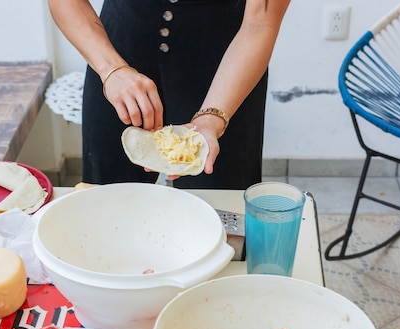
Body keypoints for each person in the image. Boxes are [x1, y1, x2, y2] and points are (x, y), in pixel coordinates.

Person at [47, 0, 291, 189]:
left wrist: (211, 118)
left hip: (227, 70)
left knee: (219, 218)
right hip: (118, 53)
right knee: (106, 206)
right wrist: (112, 69)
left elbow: (261, 23)